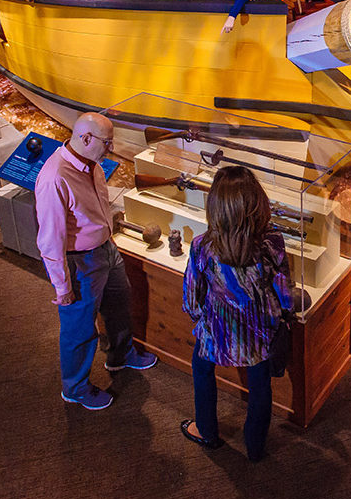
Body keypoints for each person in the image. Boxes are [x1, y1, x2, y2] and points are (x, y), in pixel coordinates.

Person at [34, 112, 157, 411]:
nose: (110, 147)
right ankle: (74, 387)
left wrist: (108, 238)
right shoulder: (54, 179)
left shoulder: (93, 165)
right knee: (79, 329)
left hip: (106, 249)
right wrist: (62, 287)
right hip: (81, 263)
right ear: (86, 138)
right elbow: (49, 240)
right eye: (107, 142)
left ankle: (120, 356)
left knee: (118, 305)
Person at [180, 166, 292, 461]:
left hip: (216, 332)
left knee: (202, 372)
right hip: (259, 335)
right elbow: (285, 296)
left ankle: (206, 431)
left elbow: (192, 298)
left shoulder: (202, 246)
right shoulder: (272, 242)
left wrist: (200, 318)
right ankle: (255, 447)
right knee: (260, 387)